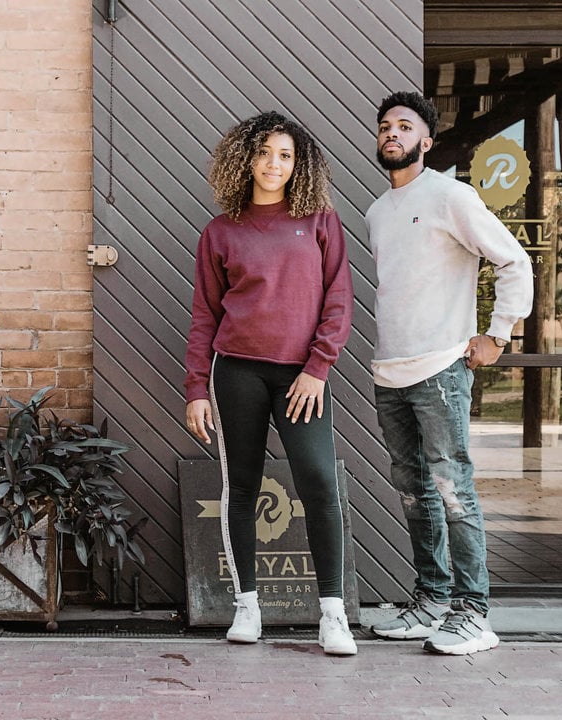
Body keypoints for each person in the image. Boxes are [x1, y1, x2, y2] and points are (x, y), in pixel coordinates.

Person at [366, 91, 534, 655]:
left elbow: (515, 260)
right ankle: (432, 600)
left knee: (452, 489)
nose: (393, 133)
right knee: (415, 493)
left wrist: (499, 334)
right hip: (389, 371)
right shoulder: (377, 211)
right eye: (386, 126)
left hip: (440, 370)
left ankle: (473, 612)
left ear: (427, 141)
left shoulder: (450, 195)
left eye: (405, 126)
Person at [184, 111, 356, 655]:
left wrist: (317, 368)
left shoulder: (320, 221)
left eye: (285, 154)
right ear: (245, 160)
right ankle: (247, 606)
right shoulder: (221, 232)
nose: (273, 164)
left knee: (318, 484)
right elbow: (204, 317)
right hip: (236, 372)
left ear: (297, 162)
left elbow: (338, 300)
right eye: (263, 153)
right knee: (243, 488)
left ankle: (332, 615)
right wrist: (194, 390)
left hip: (302, 376)